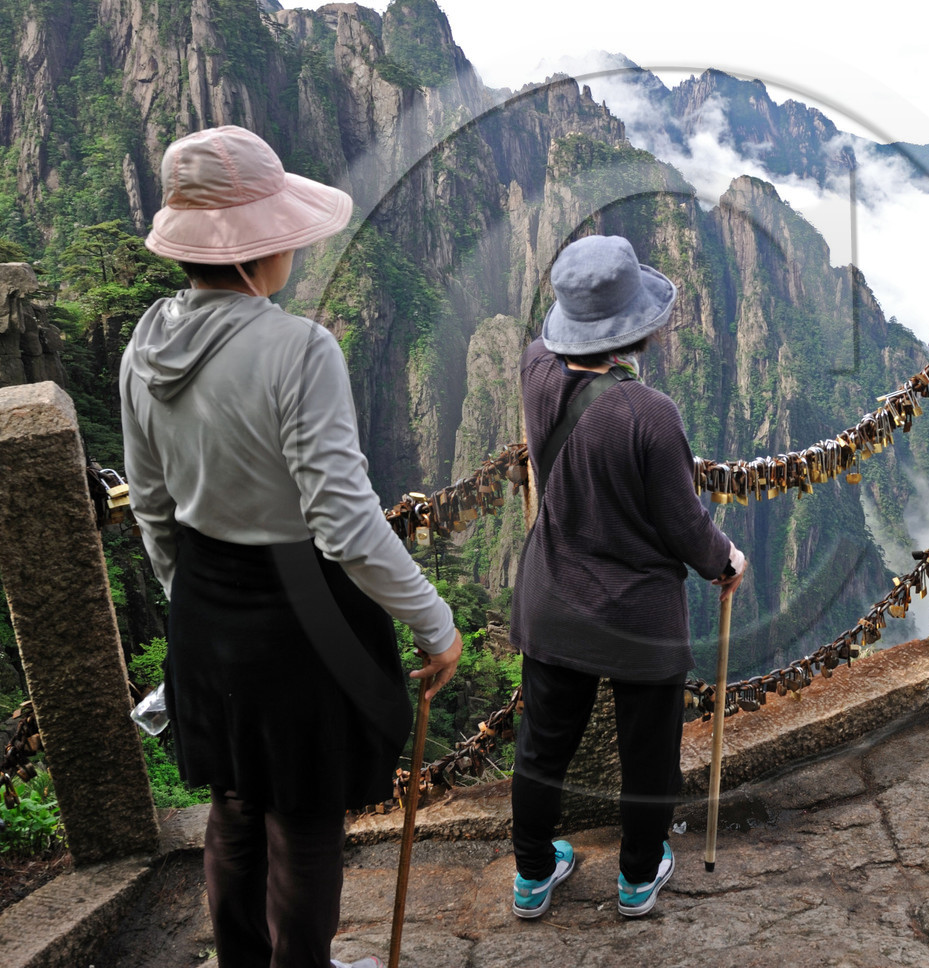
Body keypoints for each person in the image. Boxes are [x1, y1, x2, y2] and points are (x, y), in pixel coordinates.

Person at [121, 125, 461, 968]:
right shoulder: (297, 350)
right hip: (300, 617)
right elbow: (343, 525)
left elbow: (153, 509)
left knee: (236, 801)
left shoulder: (144, 346)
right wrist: (433, 620)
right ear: (255, 251)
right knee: (304, 814)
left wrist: (196, 596)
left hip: (205, 604)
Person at [510, 234, 746, 920]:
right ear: (633, 327)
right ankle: (638, 876)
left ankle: (532, 877)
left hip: (553, 599)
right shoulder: (650, 414)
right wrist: (725, 561)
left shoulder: (533, 368)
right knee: (646, 755)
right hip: (637, 618)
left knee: (542, 748)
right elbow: (682, 524)